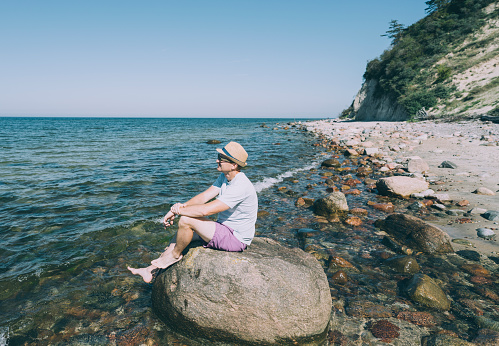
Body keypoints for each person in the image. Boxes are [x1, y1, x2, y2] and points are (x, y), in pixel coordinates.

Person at [128, 141, 258, 283]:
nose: (217, 160)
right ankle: (149, 270)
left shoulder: (240, 186)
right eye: (218, 156)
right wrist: (180, 207)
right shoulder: (225, 177)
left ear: (234, 165)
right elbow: (204, 197)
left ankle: (175, 256)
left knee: (186, 220)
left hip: (235, 238)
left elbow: (205, 210)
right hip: (223, 228)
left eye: (221, 158)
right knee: (180, 235)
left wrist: (180, 212)